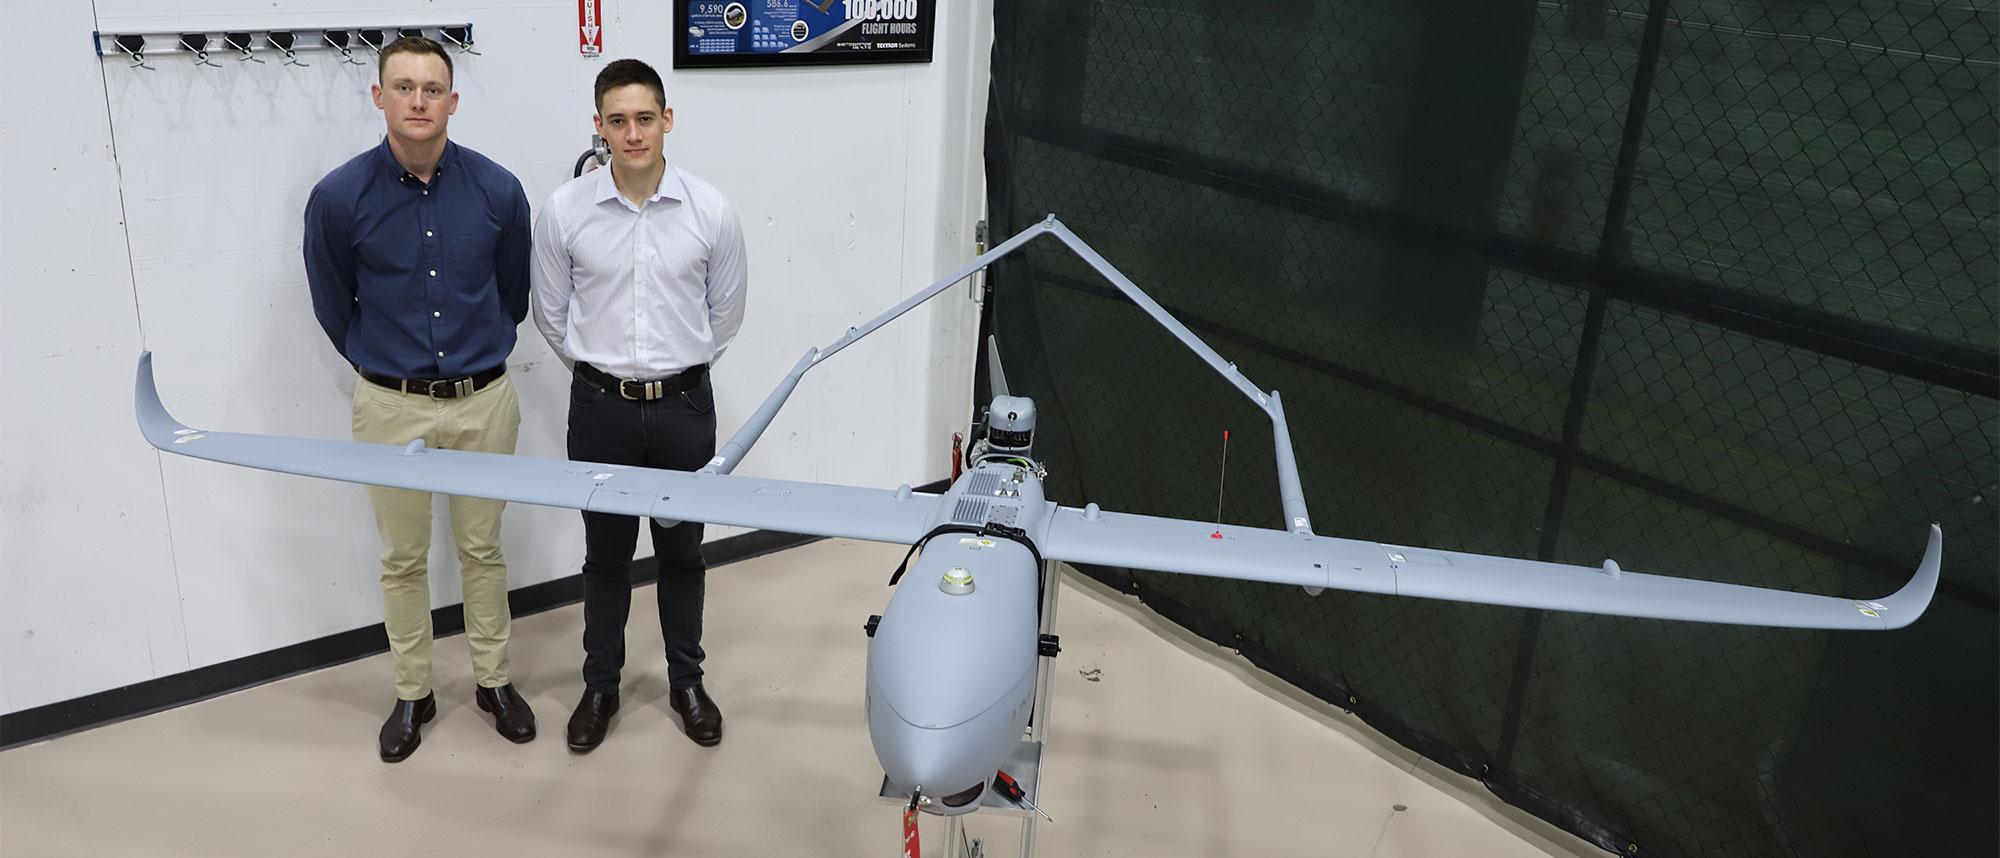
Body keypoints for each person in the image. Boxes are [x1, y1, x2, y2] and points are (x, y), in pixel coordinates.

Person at [303, 35, 537, 762]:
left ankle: (493, 682)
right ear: (379, 97)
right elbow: (333, 305)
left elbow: (514, 296)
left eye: (431, 89)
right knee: (402, 559)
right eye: (402, 87)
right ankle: (413, 691)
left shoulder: (499, 190)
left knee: (481, 550)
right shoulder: (339, 198)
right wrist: (389, 370)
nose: (417, 101)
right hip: (390, 406)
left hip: (482, 401)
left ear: (453, 102)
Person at [530, 58, 748, 752]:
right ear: (598, 127)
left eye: (644, 118)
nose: (632, 133)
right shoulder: (565, 212)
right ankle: (601, 685)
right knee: (606, 558)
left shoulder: (710, 210)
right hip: (601, 410)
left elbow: (726, 314)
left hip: (686, 410)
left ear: (667, 120)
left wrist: (672, 373)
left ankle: (687, 681)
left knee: (683, 554)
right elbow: (551, 315)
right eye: (617, 121)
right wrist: (608, 377)